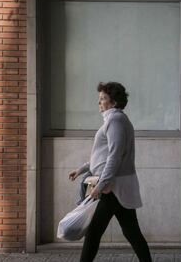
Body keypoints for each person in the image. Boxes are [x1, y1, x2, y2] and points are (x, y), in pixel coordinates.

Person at [68, 82, 152, 262]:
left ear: (114, 102)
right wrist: (81, 169)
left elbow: (115, 156)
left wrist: (101, 185)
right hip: (117, 186)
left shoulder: (116, 120)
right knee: (131, 232)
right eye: (99, 99)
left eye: (103, 99)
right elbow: (102, 156)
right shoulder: (114, 120)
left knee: (94, 233)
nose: (99, 102)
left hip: (112, 187)